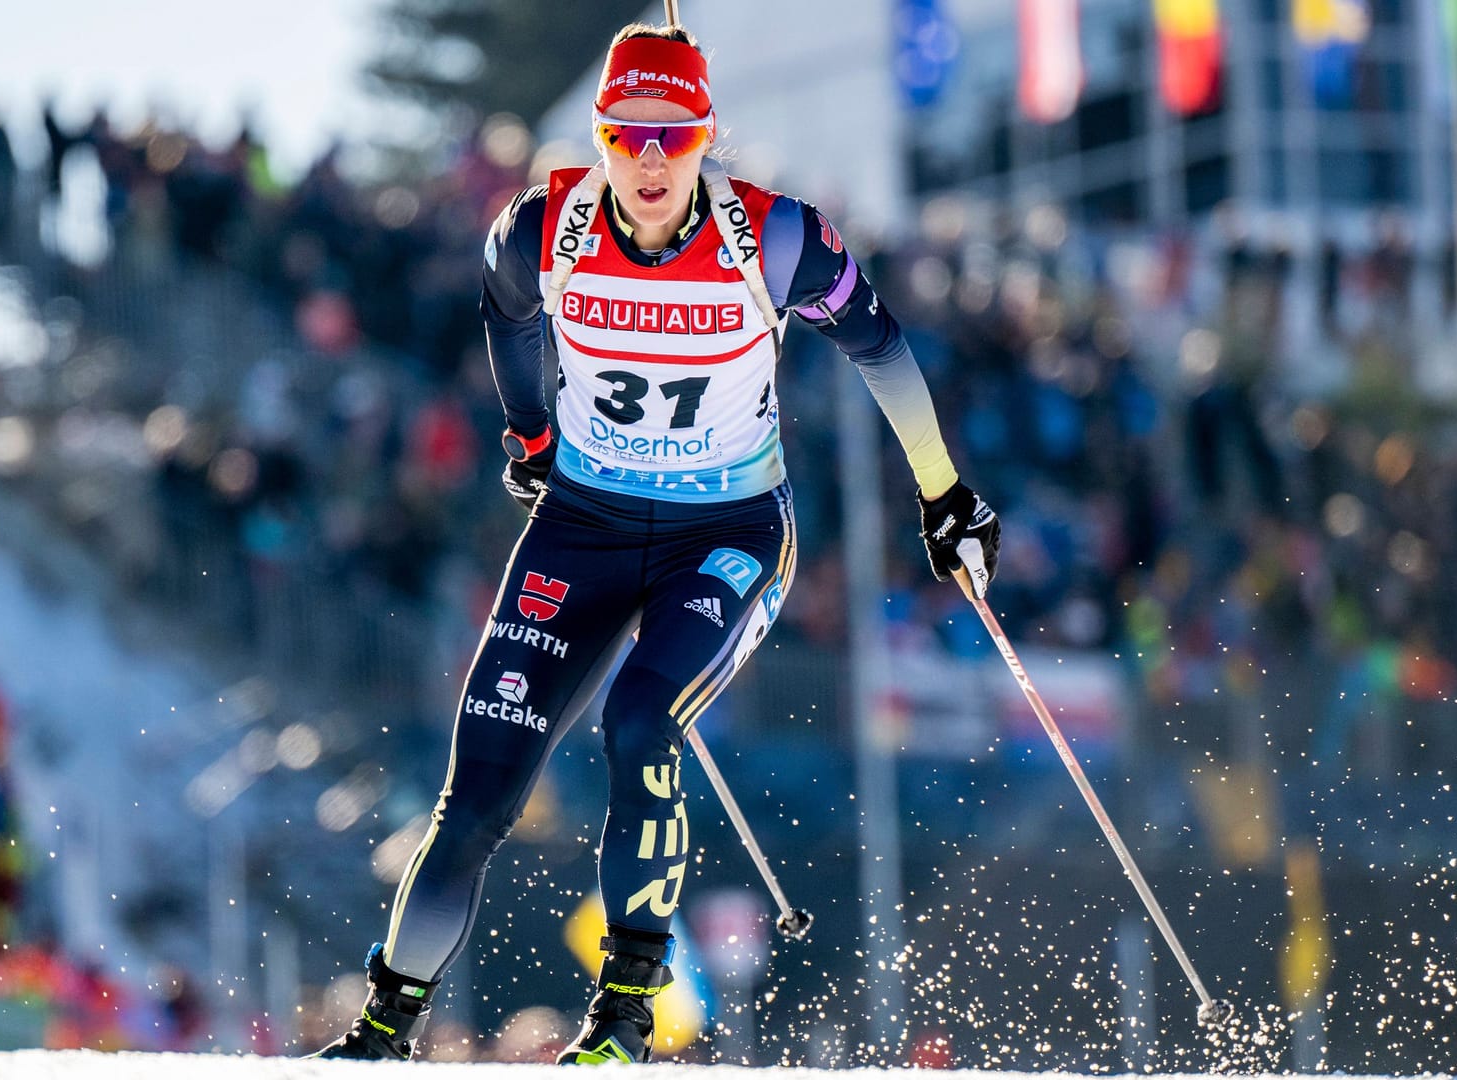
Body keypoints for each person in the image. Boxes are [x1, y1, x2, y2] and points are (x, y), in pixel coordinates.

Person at [313, 20, 1000, 1064]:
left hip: (723, 533)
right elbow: (504, 315)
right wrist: (531, 431)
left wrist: (945, 495)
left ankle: (627, 1010)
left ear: (705, 138)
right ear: (597, 136)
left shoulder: (774, 239)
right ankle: (381, 1029)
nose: (646, 160)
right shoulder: (543, 229)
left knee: (641, 719)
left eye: (671, 137)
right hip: (582, 527)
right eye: (625, 135)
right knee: (480, 786)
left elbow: (882, 348)